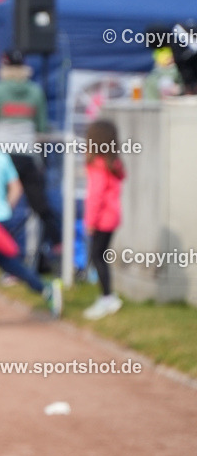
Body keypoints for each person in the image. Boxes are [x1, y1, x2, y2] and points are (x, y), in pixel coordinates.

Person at [0, 116, 61, 318]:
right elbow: (16, 188)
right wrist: (5, 208)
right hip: (1, 216)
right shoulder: (0, 155)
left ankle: (44, 288)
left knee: (0, 262)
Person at [0, 50, 61, 260]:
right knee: (40, 205)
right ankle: (60, 245)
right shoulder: (35, 91)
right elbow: (41, 125)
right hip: (27, 154)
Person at [82, 119, 125, 320]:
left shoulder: (98, 165)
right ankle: (106, 296)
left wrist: (90, 221)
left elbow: (95, 196)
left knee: (98, 258)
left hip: (102, 220)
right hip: (112, 218)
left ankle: (107, 297)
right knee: (101, 257)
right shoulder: (113, 164)